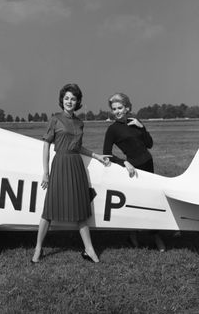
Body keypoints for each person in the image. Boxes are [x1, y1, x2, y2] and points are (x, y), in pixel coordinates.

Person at [31, 83, 110, 263]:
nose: (69, 101)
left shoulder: (80, 123)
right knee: (49, 209)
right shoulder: (55, 119)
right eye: (66, 98)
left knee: (80, 210)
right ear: (62, 100)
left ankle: (89, 249)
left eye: (73, 99)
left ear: (78, 102)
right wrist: (46, 172)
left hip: (76, 166)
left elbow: (78, 146)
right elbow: (46, 145)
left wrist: (96, 155)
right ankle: (38, 248)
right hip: (60, 164)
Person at [103, 92, 166, 252]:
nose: (116, 111)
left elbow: (149, 144)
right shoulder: (112, 129)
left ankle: (156, 235)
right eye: (114, 109)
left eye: (120, 108)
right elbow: (106, 154)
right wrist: (124, 163)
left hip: (148, 164)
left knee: (152, 200)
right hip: (134, 167)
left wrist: (141, 127)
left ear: (127, 108)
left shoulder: (135, 122)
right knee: (136, 200)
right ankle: (132, 235)